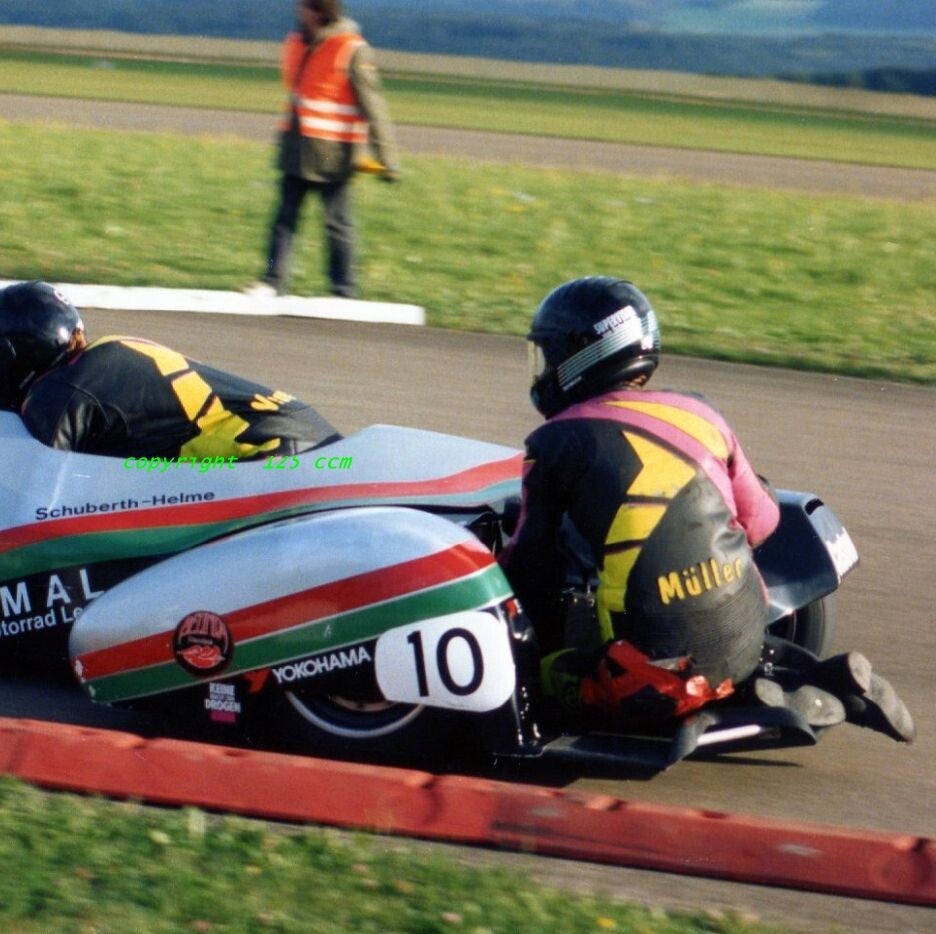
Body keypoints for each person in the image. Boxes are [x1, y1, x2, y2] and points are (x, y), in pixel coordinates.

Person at [498, 276, 914, 742]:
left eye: (546, 356)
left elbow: (532, 569)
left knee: (538, 677)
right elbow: (764, 522)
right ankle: (787, 681)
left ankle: (693, 694)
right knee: (708, 637)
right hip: (749, 634)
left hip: (652, 676)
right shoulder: (699, 411)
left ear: (578, 356)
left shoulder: (551, 443)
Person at [0, 280, 341, 459]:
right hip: (303, 438)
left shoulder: (62, 391)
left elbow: (23, 489)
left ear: (21, 354)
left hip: (274, 458)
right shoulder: (103, 358)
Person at [245, 0, 398, 300]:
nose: (297, 10)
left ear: (318, 11)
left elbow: (374, 106)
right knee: (283, 221)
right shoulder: (296, 43)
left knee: (337, 224)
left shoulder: (351, 48)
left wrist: (387, 158)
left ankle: (343, 290)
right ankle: (272, 280)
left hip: (332, 152)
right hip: (296, 147)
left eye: (303, 6)